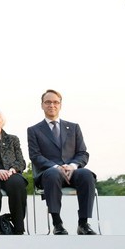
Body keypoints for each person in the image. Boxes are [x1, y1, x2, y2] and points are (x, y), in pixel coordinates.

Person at [27, 89, 97, 235]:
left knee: (86, 174)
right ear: (42, 105)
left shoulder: (73, 127)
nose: (51, 105)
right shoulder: (34, 130)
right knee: (53, 174)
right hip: (49, 173)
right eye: (48, 102)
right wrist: (56, 167)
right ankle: (57, 223)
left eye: (55, 102)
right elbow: (35, 156)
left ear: (60, 105)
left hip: (73, 171)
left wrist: (72, 166)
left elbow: (82, 153)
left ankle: (83, 224)